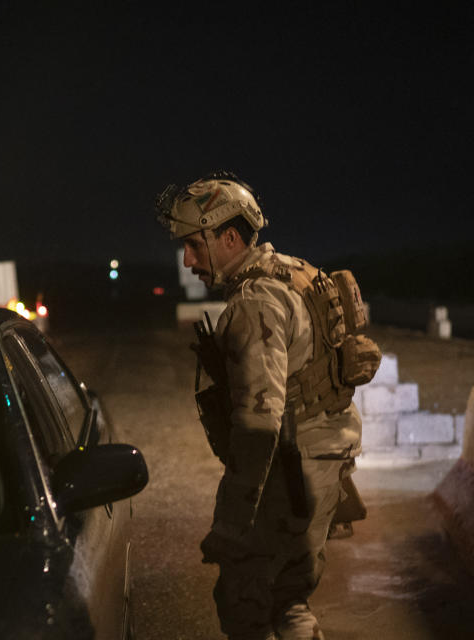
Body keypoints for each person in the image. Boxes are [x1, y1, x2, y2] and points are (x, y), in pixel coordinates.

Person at [156, 171, 373, 640]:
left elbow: (258, 424)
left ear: (229, 237)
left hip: (293, 472)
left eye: (194, 244)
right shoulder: (298, 272)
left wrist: (231, 523)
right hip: (329, 453)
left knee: (245, 604)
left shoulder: (255, 303)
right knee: (289, 599)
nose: (188, 259)